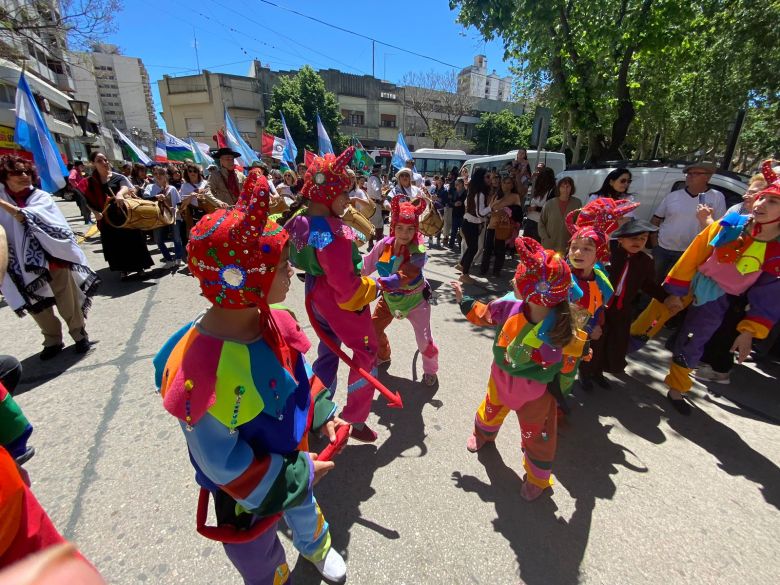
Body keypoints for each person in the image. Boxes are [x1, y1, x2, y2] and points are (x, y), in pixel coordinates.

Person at [154, 170, 348, 584]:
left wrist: (323, 412)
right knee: (258, 554)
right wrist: (301, 473)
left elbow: (299, 374)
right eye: (280, 266)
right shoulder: (200, 373)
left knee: (303, 508)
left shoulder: (272, 320)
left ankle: (317, 547)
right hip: (246, 496)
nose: (291, 272)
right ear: (246, 281)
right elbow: (223, 464)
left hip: (295, 458)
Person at [630, 160, 780, 415]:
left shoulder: (776, 252)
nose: (761, 204)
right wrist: (676, 292)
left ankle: (677, 388)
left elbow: (769, 295)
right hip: (690, 281)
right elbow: (694, 254)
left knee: (693, 340)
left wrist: (749, 331)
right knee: (650, 321)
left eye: (773, 201)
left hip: (719, 298)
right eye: (763, 198)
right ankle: (614, 354)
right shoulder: (732, 223)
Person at [453, 237, 589, 501]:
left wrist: (582, 354)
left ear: (534, 290)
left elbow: (575, 354)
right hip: (501, 379)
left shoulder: (563, 325)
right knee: (491, 408)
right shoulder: (508, 307)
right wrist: (465, 301)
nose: (513, 281)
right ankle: (483, 434)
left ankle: (538, 476)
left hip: (536, 394)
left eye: (519, 278)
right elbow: (483, 314)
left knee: (536, 435)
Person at [286, 148, 382, 443]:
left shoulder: (299, 221)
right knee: (366, 353)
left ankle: (314, 409)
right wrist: (375, 287)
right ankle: (355, 417)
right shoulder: (335, 233)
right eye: (344, 193)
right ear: (329, 196)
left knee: (328, 352)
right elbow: (348, 290)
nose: (348, 199)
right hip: (339, 302)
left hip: (314, 293)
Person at [0, 156, 99, 359]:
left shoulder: (41, 197)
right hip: (21, 266)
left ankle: (79, 335)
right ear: (4, 177)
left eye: (27, 171)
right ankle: (52, 340)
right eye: (17, 172)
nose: (24, 176)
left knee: (67, 301)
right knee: (37, 306)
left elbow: (25, 216)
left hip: (54, 259)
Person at [579, 219, 682, 388]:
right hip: (599, 307)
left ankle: (599, 372)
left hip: (622, 309)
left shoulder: (645, 261)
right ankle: (586, 372)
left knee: (614, 343)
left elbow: (648, 285)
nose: (638, 242)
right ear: (620, 239)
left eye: (642, 239)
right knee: (595, 341)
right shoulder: (607, 255)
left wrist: (666, 297)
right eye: (633, 238)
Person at [362, 195, 439, 386]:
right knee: (373, 329)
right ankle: (384, 354)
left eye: (410, 229)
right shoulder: (384, 244)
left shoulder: (418, 249)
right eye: (400, 228)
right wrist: (347, 270)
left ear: (416, 229)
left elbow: (409, 272)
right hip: (389, 300)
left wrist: (387, 282)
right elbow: (366, 264)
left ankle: (431, 370)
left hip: (416, 302)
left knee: (424, 341)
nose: (404, 233)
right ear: (393, 226)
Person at [650, 162, 726, 283]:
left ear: (707, 177)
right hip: (662, 248)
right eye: (688, 174)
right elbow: (655, 219)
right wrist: (655, 245)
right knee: (652, 282)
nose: (689, 176)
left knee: (675, 286)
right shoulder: (673, 196)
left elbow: (719, 226)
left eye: (694, 174)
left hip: (689, 253)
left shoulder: (717, 197)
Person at [84, 151, 153, 280]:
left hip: (124, 215)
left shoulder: (118, 177)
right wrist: (95, 212)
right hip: (107, 219)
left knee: (133, 240)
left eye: (105, 159)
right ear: (93, 164)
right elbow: (86, 200)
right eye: (99, 160)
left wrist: (120, 194)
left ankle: (140, 267)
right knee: (115, 244)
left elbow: (126, 187)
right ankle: (123, 269)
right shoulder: (90, 182)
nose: (104, 162)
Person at [480, 172, 522, 277]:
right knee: (488, 249)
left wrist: (507, 210)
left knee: (500, 250)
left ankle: (496, 271)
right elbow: (490, 208)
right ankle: (483, 269)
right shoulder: (496, 195)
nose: (506, 185)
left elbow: (518, 212)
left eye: (509, 183)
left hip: (503, 226)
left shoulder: (515, 196)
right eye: (504, 183)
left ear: (512, 185)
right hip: (492, 224)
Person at [144, 166, 184, 268]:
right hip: (158, 217)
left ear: (166, 175)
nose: (158, 176)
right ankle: (168, 259)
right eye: (155, 174)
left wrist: (176, 211)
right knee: (158, 240)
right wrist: (155, 197)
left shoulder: (172, 188)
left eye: (161, 173)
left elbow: (179, 203)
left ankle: (178, 258)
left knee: (176, 238)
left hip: (173, 215)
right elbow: (145, 199)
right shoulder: (150, 187)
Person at [458, 167, 491, 284]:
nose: (490, 179)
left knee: (471, 247)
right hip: (470, 223)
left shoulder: (474, 190)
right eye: (487, 177)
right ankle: (464, 274)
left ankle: (461, 265)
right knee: (473, 248)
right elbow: (480, 212)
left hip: (470, 223)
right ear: (481, 178)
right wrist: (492, 207)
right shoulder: (480, 193)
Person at [539, 177, 582, 254]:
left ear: (571, 188)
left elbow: (579, 223)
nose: (565, 189)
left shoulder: (577, 203)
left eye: (568, 186)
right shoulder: (549, 204)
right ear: (558, 188)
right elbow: (541, 222)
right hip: (550, 244)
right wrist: (545, 238)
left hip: (569, 245)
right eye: (562, 187)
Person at [523, 166, 556, 242]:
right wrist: (532, 180)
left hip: (540, 223)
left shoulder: (553, 191)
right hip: (530, 220)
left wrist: (536, 208)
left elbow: (551, 209)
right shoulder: (537, 187)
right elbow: (527, 196)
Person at [67, 160, 92, 224]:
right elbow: (71, 179)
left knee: (87, 204)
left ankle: (89, 219)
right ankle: (87, 220)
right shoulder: (74, 171)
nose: (83, 167)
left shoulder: (78, 171)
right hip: (78, 190)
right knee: (84, 204)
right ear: (78, 166)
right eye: (82, 165)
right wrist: (78, 186)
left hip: (81, 190)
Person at [366, 164, 385, 248]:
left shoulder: (372, 178)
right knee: (378, 224)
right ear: (378, 170)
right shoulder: (374, 178)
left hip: (373, 202)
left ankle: (372, 243)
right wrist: (381, 198)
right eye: (381, 170)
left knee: (373, 223)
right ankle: (377, 243)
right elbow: (376, 189)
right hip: (375, 203)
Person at [449, 177, 467, 250]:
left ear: (462, 184)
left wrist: (461, 203)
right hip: (455, 213)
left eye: (458, 184)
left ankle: (461, 246)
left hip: (463, 214)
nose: (456, 185)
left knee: (462, 231)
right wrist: (454, 204)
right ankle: (451, 244)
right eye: (456, 184)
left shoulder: (466, 192)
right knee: (454, 230)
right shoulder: (454, 192)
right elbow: (450, 202)